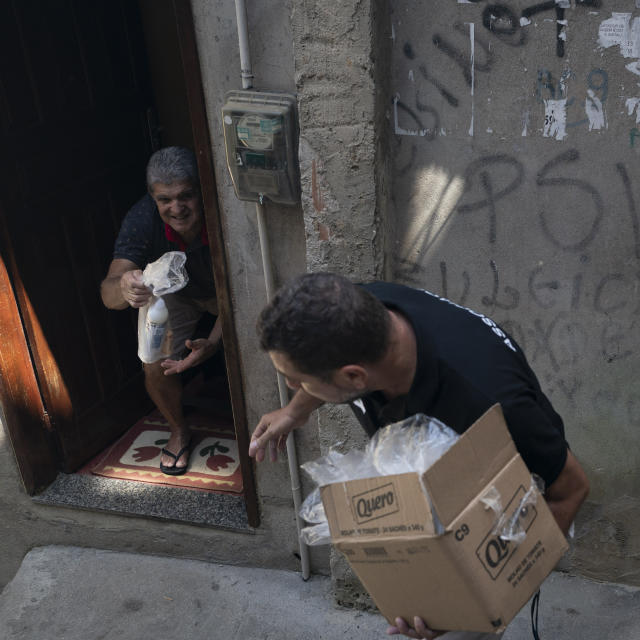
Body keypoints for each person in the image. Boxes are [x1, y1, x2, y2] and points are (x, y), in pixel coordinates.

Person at [251, 272, 590, 640]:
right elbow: (328, 371)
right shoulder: (357, 312)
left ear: (354, 378)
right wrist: (296, 411)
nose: (290, 388)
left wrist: (476, 603)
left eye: (296, 380)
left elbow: (571, 489)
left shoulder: (492, 403)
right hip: (435, 475)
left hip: (494, 512)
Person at [100, 147, 222, 476]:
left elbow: (247, 287)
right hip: (177, 292)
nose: (177, 208)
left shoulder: (222, 206)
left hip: (231, 288)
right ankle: (178, 427)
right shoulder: (143, 219)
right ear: (152, 198)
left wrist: (212, 342)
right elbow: (108, 295)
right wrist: (125, 285)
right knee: (153, 360)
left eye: (186, 196)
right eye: (165, 199)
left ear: (202, 190)